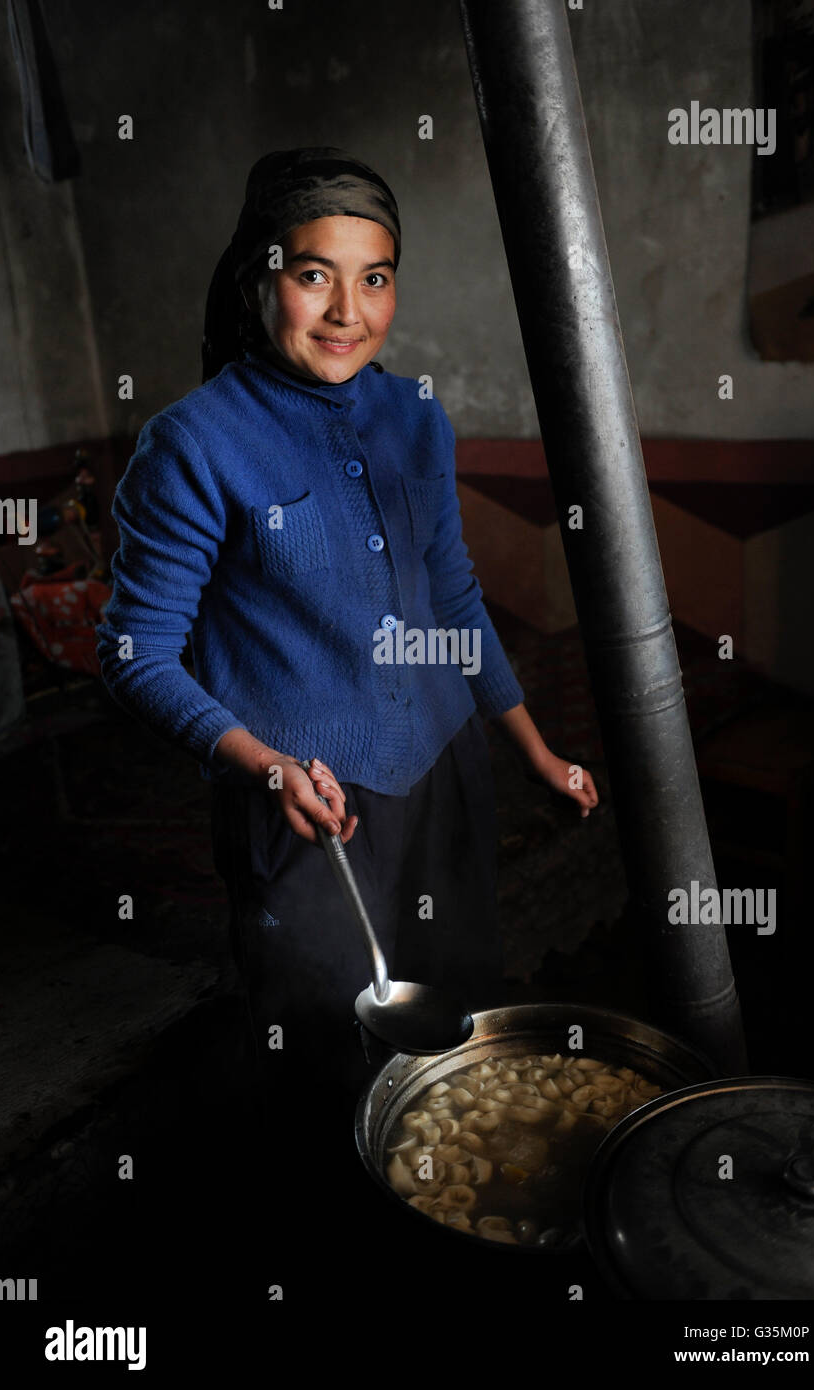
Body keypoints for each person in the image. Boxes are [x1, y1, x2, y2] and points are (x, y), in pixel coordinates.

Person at [95, 146, 598, 1163]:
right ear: (259, 278)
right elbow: (133, 652)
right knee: (325, 1052)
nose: (346, 311)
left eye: (374, 277)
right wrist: (265, 762)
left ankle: (453, 1208)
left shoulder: (414, 415)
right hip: (310, 804)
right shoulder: (192, 444)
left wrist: (531, 749)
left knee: (457, 1024)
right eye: (312, 272)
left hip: (446, 773)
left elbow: (453, 596)